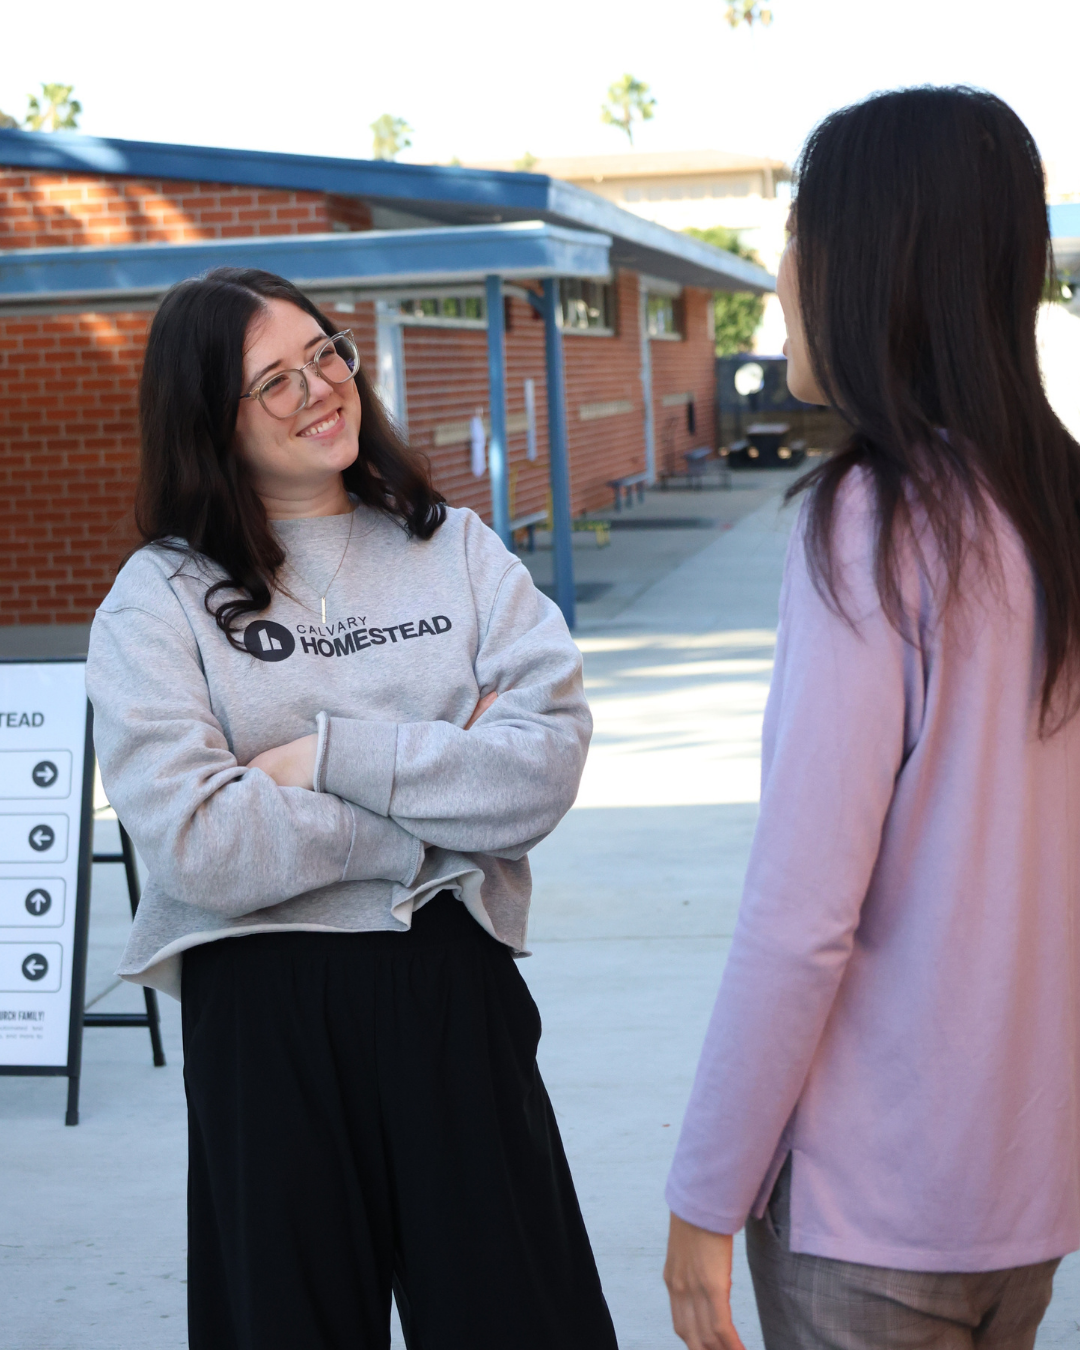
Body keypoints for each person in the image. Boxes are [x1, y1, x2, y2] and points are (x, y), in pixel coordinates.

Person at [86, 267, 618, 1350]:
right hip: (263, 1011)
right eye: (272, 382)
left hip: (448, 983)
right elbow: (200, 844)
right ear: (210, 423)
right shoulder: (159, 599)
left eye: (324, 353)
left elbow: (543, 768)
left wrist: (324, 756)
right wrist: (436, 806)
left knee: (521, 1321)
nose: (319, 389)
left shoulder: (455, 549)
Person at [663, 86, 1080, 1350]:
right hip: (1027, 1203)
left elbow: (801, 920)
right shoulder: (1056, 512)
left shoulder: (872, 524)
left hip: (869, 1210)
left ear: (873, 264)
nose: (779, 270)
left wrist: (703, 1195)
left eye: (799, 231)